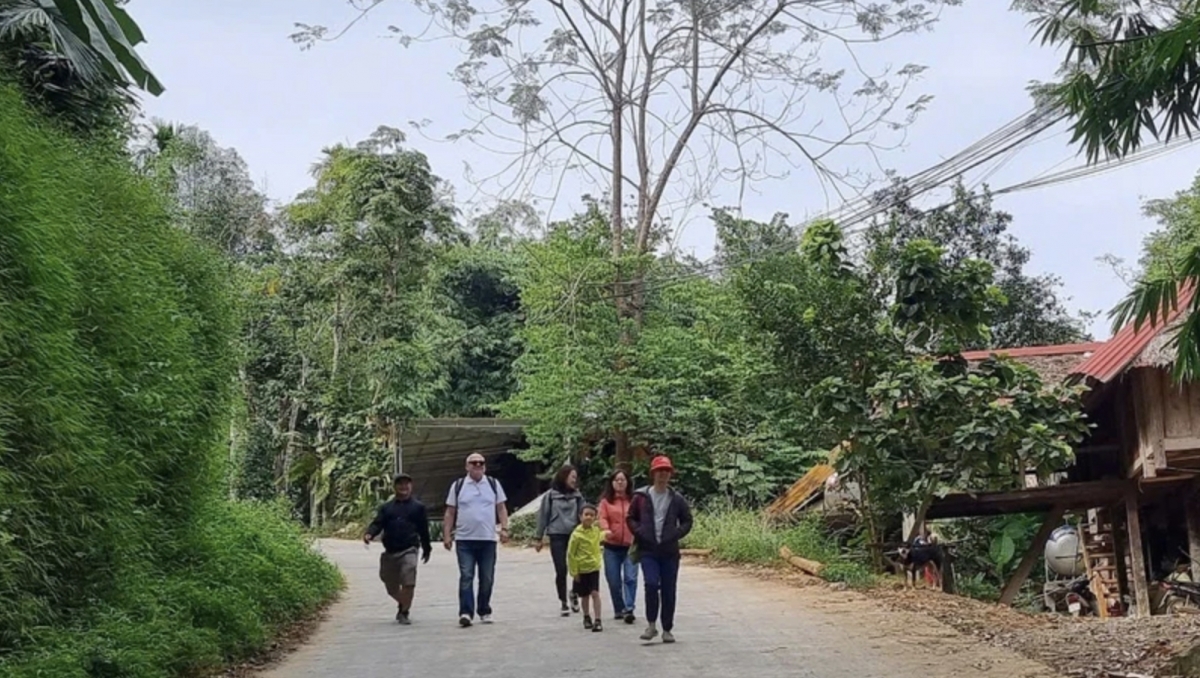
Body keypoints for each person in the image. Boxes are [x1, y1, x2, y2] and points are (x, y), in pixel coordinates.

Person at [626, 455, 692, 644]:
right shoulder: (641, 497)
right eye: (659, 471)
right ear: (653, 474)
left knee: (669, 589)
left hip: (670, 552)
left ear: (670, 474)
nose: (663, 475)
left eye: (666, 471)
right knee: (651, 584)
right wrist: (640, 532)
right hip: (648, 550)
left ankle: (667, 629)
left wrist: (676, 533)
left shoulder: (676, 498)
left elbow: (687, 520)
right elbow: (630, 517)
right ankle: (651, 625)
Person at [444, 453, 510, 628]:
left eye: (481, 463)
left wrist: (504, 529)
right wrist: (447, 534)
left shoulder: (493, 484)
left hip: (488, 539)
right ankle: (466, 612)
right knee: (467, 576)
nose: (477, 465)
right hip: (465, 540)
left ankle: (484, 609)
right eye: (473, 463)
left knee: (486, 577)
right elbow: (450, 511)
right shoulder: (458, 486)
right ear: (467, 466)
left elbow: (501, 508)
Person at [363, 473, 432, 625]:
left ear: (411, 486)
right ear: (394, 487)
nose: (404, 487)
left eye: (407, 484)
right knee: (390, 585)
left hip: (409, 549)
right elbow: (377, 523)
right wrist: (369, 533)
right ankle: (403, 603)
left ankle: (404, 612)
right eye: (400, 484)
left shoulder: (418, 508)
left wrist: (427, 548)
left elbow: (423, 529)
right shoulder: (387, 508)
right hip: (390, 552)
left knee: (409, 580)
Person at [534, 464, 585, 616]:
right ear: (564, 477)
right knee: (561, 569)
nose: (574, 480)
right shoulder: (550, 496)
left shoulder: (578, 496)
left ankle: (575, 593)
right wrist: (539, 537)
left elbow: (585, 515)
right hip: (556, 535)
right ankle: (563, 601)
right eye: (572, 477)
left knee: (579, 568)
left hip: (575, 535)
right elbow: (543, 516)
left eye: (576, 477)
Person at [598, 468, 638, 624]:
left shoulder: (635, 500)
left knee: (631, 578)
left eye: (623, 480)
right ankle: (619, 608)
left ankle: (629, 608)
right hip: (611, 546)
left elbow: (640, 518)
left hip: (631, 545)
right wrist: (606, 530)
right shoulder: (606, 502)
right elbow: (602, 518)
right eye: (617, 480)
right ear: (612, 483)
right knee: (613, 580)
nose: (620, 483)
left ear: (628, 482)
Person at [567, 504, 605, 632]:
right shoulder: (576, 535)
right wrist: (574, 571)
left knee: (595, 593)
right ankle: (586, 616)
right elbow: (571, 554)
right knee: (584, 595)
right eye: (586, 514)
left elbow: (599, 538)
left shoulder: (595, 531)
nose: (589, 517)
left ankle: (598, 619)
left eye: (592, 515)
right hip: (581, 569)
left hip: (594, 567)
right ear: (580, 517)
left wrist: (607, 534)